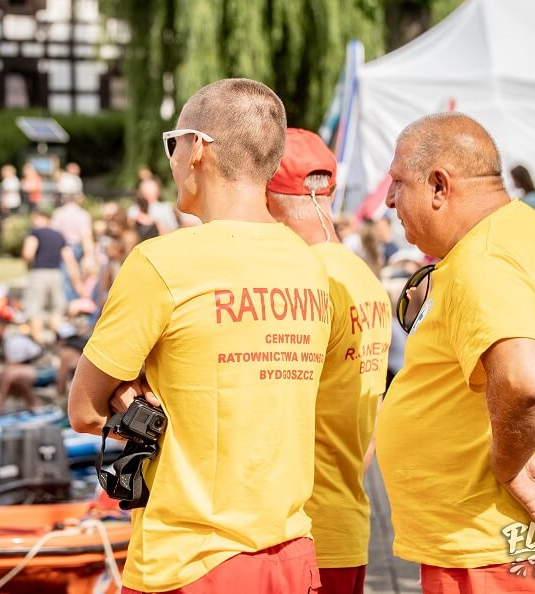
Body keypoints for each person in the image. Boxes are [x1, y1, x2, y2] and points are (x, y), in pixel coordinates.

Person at [68, 78, 331, 594]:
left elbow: (84, 410)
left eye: (173, 142)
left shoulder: (162, 261)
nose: (171, 159)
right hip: (290, 551)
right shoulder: (309, 265)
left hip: (191, 559)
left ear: (197, 149)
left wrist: (133, 394)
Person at [379, 113, 535, 593]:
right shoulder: (522, 228)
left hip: (497, 549)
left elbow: (526, 383)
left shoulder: (485, 257)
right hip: (521, 544)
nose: (389, 199)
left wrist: (509, 466)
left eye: (398, 182)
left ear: (439, 185)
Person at [265, 128, 392, 594]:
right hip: (346, 522)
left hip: (301, 535)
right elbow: (372, 418)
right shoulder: (362, 275)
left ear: (265, 198)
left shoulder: (303, 280)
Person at [22, 209, 82, 343]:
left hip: (39, 273)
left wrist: (28, 264)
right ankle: (60, 344)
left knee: (35, 310)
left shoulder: (35, 233)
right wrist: (77, 282)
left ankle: (39, 345)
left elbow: (28, 253)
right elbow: (69, 259)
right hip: (56, 274)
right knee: (57, 311)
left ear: (38, 218)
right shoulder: (59, 235)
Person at [0, 316, 45, 416]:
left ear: (1, 327)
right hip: (23, 372)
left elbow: (12, 370)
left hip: (42, 372)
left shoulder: (12, 341)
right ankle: (32, 403)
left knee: (11, 375)